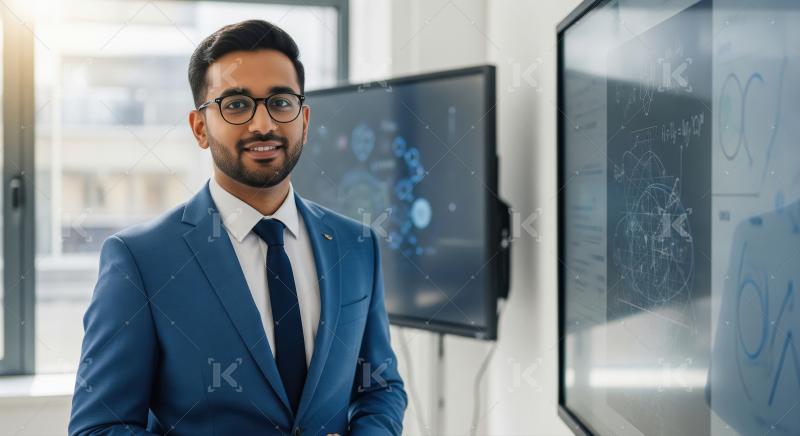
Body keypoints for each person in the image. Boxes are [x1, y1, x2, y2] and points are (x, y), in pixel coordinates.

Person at [68, 19, 406, 436]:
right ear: (199, 128)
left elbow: (381, 386)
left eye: (281, 102)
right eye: (236, 104)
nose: (263, 125)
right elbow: (99, 428)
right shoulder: (139, 260)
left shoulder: (357, 244)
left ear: (304, 119)